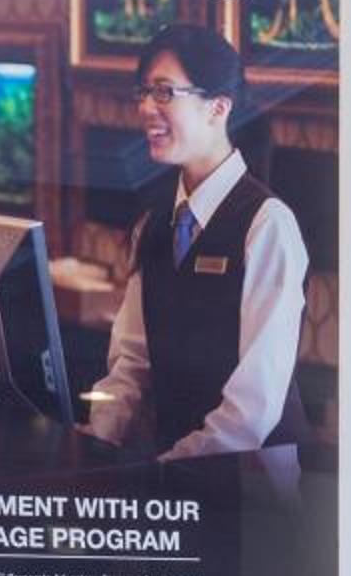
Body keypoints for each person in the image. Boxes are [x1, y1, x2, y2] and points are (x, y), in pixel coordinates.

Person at [83, 24, 312, 461]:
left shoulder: (268, 225)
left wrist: (169, 469)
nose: (146, 107)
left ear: (218, 108)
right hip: (175, 473)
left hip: (252, 483)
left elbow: (253, 409)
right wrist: (96, 440)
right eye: (144, 92)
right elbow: (131, 362)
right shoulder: (154, 222)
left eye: (164, 92)